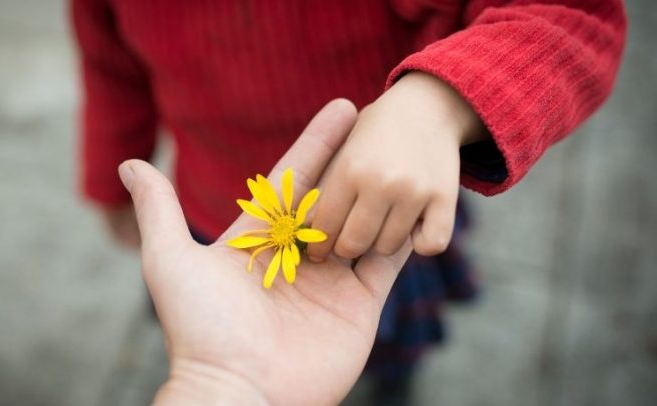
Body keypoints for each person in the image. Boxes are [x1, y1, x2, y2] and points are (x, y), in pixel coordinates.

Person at [71, 0, 626, 401]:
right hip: (217, 220)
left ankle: (393, 377)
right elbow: (110, 69)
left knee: (385, 333)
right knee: (207, 318)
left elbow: (572, 15)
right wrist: (109, 179)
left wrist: (440, 102)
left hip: (378, 230)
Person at [117, 100, 413, 404]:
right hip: (205, 203)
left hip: (372, 183)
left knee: (398, 324)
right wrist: (216, 380)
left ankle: (396, 374)